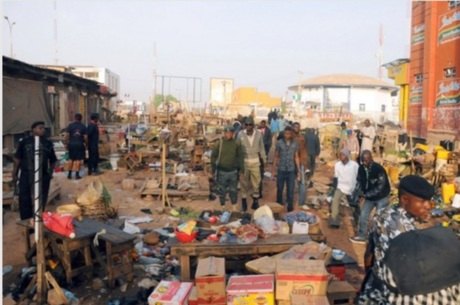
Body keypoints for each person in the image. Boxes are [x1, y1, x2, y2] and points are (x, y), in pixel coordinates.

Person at [358, 175, 460, 304]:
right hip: (394, 291)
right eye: (422, 201)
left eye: (429, 201)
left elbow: (369, 253)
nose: (428, 206)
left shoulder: (383, 213)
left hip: (375, 284)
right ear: (405, 199)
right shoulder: (402, 231)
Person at [13, 121, 57, 221]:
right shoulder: (24, 142)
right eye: (40, 128)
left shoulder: (47, 143)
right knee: (24, 197)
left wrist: (50, 173)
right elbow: (17, 159)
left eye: (43, 128)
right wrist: (14, 173)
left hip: (43, 174)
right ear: (33, 130)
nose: (43, 130)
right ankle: (26, 220)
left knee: (42, 197)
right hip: (26, 174)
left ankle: (38, 219)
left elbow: (53, 160)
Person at [350, 150, 391, 243]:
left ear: (371, 159)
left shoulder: (378, 169)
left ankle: (381, 238)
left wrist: (366, 195)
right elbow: (359, 182)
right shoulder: (361, 169)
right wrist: (357, 194)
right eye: (363, 161)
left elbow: (380, 187)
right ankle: (362, 236)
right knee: (363, 215)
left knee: (380, 218)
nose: (364, 163)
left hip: (382, 197)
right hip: (369, 197)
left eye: (366, 160)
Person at [211, 126, 243, 211]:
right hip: (222, 171)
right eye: (227, 132)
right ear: (224, 133)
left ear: (233, 134)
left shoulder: (236, 143)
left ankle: (234, 207)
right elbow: (213, 156)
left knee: (233, 190)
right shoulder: (220, 143)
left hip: (233, 171)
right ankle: (223, 207)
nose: (228, 134)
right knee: (222, 190)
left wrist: (241, 169)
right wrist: (213, 169)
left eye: (230, 133)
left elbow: (240, 156)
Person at [238, 117, 267, 211]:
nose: (248, 127)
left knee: (257, 182)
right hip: (244, 162)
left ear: (253, 125)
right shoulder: (240, 134)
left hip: (255, 162)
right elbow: (237, 148)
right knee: (243, 182)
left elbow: (262, 148)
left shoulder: (258, 134)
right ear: (244, 125)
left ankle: (255, 201)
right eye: (246, 125)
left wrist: (264, 160)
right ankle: (244, 201)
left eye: (250, 125)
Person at [329, 148, 359, 228]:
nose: (341, 156)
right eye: (340, 155)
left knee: (354, 205)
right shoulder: (337, 165)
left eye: (342, 155)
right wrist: (332, 190)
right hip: (340, 187)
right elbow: (336, 178)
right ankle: (334, 221)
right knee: (335, 201)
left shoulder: (354, 165)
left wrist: (357, 190)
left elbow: (358, 177)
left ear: (347, 156)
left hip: (351, 188)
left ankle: (358, 222)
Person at [272, 126, 300, 212]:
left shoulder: (295, 144)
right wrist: (273, 169)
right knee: (280, 188)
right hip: (281, 169)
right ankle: (279, 206)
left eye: (289, 133)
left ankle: (290, 207)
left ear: (291, 134)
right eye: (285, 133)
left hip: (291, 170)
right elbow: (276, 156)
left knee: (290, 190)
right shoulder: (279, 143)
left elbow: (296, 157)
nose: (287, 135)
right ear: (284, 134)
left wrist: (298, 170)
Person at [65, 113, 87, 179]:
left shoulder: (70, 125)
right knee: (78, 159)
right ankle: (77, 175)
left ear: (75, 118)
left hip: (71, 144)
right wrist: (86, 144)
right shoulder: (83, 126)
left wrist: (66, 143)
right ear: (81, 119)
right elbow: (85, 137)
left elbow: (66, 136)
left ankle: (69, 174)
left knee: (71, 158)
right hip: (79, 144)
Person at [292, 122, 309, 207]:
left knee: (302, 182)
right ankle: (290, 200)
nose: (296, 128)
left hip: (301, 162)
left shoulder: (302, 138)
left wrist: (305, 163)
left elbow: (304, 151)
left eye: (297, 127)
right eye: (295, 127)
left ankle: (301, 202)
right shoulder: (289, 137)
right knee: (291, 182)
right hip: (291, 162)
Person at [258, 120, 272, 198]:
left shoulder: (268, 131)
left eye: (263, 123)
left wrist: (267, 148)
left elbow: (269, 140)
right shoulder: (257, 130)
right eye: (261, 123)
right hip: (256, 154)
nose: (262, 124)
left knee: (261, 168)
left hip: (264, 150)